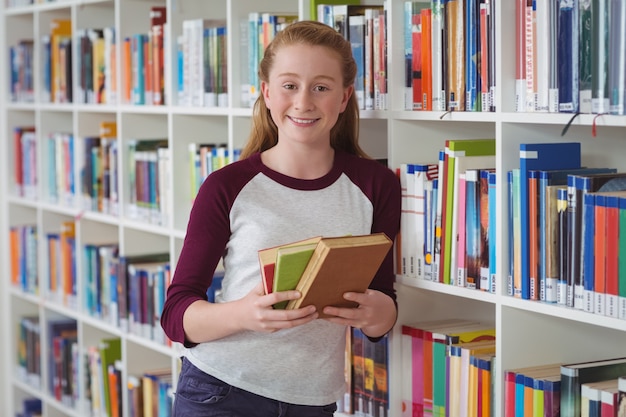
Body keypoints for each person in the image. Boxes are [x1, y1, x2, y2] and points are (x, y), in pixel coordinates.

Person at [160, 20, 401, 417]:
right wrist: (244, 314)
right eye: (290, 85)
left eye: (321, 87)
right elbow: (176, 316)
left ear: (344, 97)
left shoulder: (375, 185)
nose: (304, 102)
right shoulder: (227, 185)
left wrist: (376, 314)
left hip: (315, 401)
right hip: (220, 392)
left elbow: (382, 310)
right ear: (267, 93)